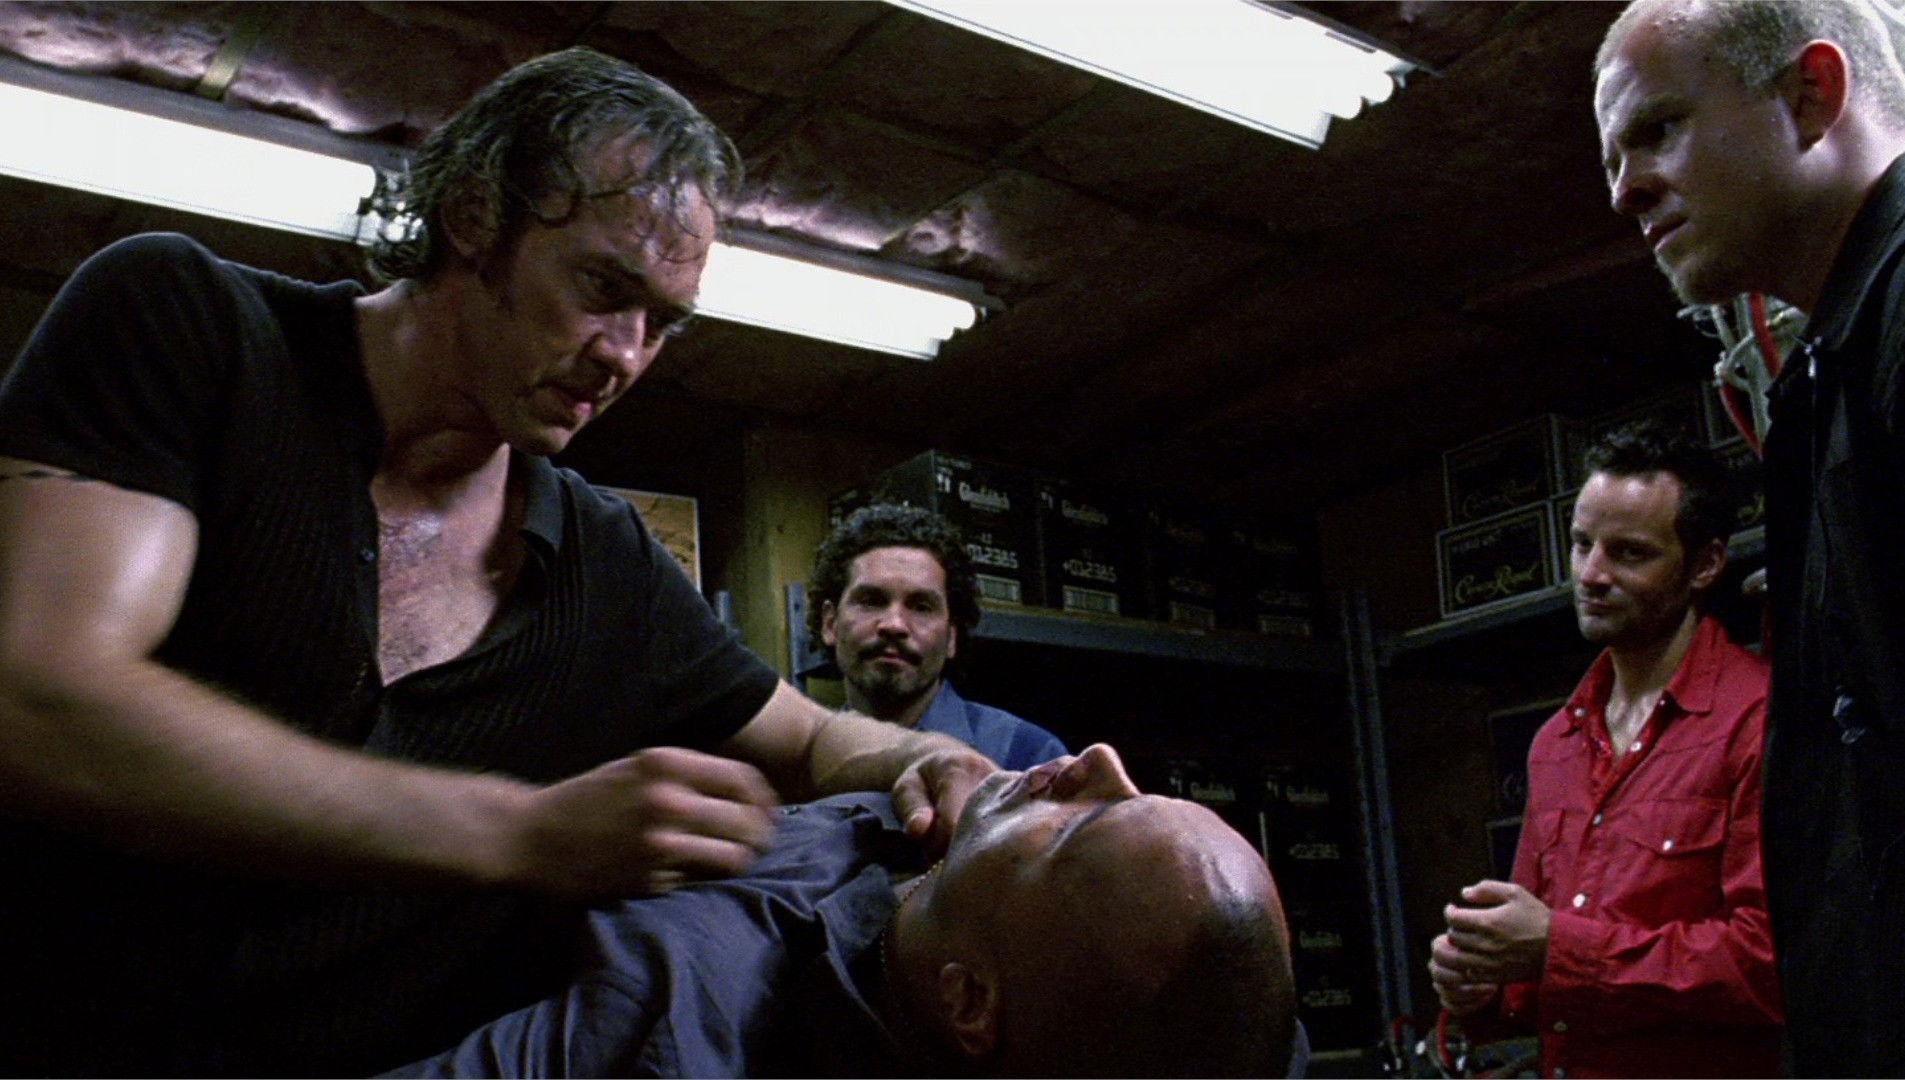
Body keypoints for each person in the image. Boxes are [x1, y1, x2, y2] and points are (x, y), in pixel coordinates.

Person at [0, 48, 995, 1076]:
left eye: (661, 324)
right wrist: (519, 832)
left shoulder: (605, 563)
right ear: (477, 212)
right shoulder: (193, 327)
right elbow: (38, 701)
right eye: (602, 286)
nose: (625, 354)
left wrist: (920, 760)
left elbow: (818, 739)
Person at [1594, 1, 1905, 1071]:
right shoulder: (1836, 367)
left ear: (1811, 95)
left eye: (1658, 130)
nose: (1623, 189)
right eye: (1613, 158)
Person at [387, 743, 1305, 1079]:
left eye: (1082, 828)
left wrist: (512, 828)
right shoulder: (1215, 1022)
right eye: (1137, 790)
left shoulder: (664, 1021)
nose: (1096, 760)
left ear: (968, 1000)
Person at [1427, 425, 1781, 1077]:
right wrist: (1482, 988)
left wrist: (1557, 947)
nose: (1591, 575)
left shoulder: (1757, 719)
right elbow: (1539, 988)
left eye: (1630, 553)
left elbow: (1772, 965)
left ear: (1705, 564)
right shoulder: (1556, 743)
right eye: (1581, 544)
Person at [807, 503, 1068, 769]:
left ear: (952, 636)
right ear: (830, 623)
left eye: (921, 607)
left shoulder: (1028, 758)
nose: (894, 625)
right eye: (871, 601)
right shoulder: (801, 766)